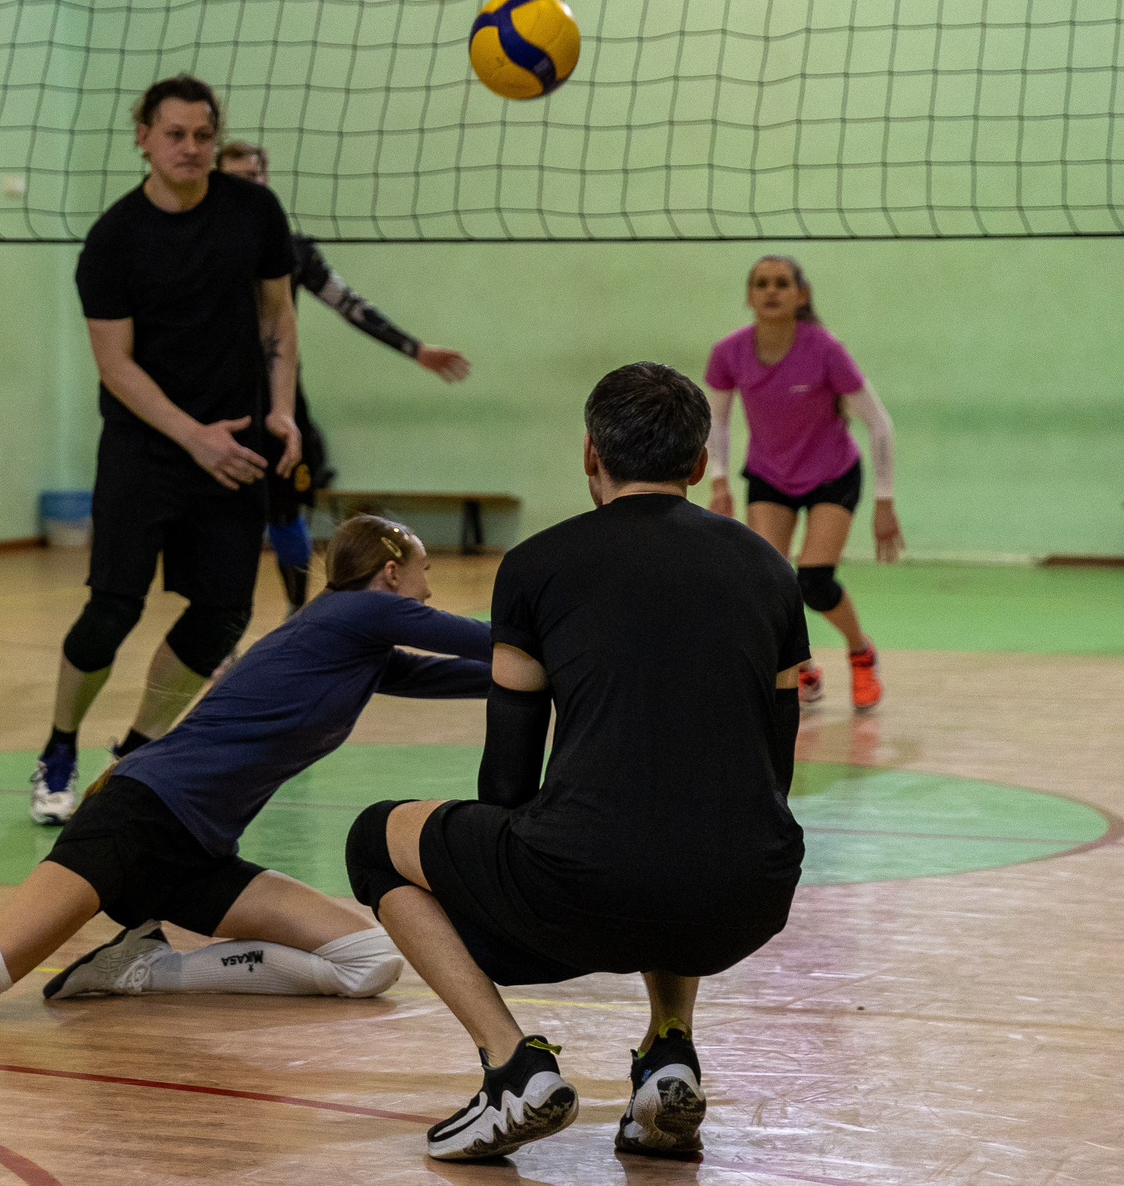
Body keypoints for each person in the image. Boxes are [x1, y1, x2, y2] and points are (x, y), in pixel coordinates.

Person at [0, 513, 486, 1008]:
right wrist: (554, 625)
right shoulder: (358, 613)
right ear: (391, 572)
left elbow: (495, 672)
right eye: (424, 574)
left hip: (197, 850)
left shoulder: (361, 650)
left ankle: (144, 969)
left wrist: (549, 676)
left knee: (368, 960)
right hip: (137, 816)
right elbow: (491, 642)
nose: (427, 589)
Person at [344, 362, 807, 1165]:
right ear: (700, 462)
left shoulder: (536, 564)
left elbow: (505, 781)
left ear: (590, 453)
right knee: (684, 804)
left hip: (584, 886)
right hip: (748, 893)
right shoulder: (769, 568)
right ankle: (668, 1049)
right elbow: (774, 763)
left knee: (373, 838)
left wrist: (511, 882)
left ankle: (511, 1067)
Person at [30, 76, 301, 826]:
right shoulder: (114, 239)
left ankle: (136, 755)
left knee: (222, 615)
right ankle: (58, 747)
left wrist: (281, 408)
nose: (191, 148)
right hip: (144, 449)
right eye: (175, 134)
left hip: (236, 444)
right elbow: (115, 365)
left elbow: (277, 314)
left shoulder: (254, 212)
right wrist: (192, 437)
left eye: (203, 135)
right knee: (111, 610)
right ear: (143, 137)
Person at [217, 140, 470, 612]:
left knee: (286, 511)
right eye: (234, 179)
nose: (245, 188)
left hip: (279, 401)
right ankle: (221, 628)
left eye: (253, 177)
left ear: (266, 182)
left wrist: (415, 349)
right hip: (217, 402)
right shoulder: (200, 250)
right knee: (225, 519)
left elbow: (349, 305)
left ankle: (298, 614)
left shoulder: (291, 251)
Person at [704, 255, 900, 712]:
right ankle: (803, 668)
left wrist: (884, 501)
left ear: (801, 294)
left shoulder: (825, 349)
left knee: (813, 581)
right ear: (749, 295)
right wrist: (718, 482)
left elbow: (879, 424)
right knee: (767, 582)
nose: (771, 291)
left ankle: (860, 652)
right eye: (761, 283)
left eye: (781, 283)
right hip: (770, 475)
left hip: (833, 474)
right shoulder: (729, 352)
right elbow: (718, 421)